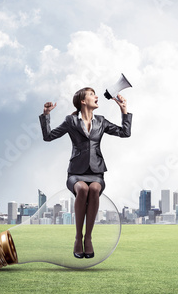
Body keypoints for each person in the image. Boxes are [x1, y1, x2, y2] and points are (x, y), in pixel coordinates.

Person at [39, 87, 132, 259]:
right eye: (91, 94)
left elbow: (125, 133)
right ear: (83, 101)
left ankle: (88, 238)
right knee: (83, 189)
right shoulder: (71, 121)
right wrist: (46, 115)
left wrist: (124, 110)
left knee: (94, 189)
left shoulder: (101, 121)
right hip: (76, 173)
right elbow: (48, 136)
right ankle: (77, 237)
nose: (96, 96)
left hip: (96, 173)